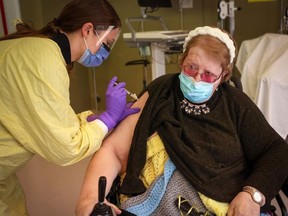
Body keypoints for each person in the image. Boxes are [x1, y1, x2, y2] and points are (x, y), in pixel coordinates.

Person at [76, 26, 288, 216]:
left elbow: (277, 151)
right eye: (191, 68)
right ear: (181, 61)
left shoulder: (236, 104)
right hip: (154, 204)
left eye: (208, 75)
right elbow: (113, 150)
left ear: (223, 76)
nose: (196, 79)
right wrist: (89, 200)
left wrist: (252, 195)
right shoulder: (160, 92)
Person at [0, 0, 140, 215]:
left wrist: (100, 117)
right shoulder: (43, 60)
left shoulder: (37, 49)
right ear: (87, 29)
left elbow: (48, 117)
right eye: (107, 44)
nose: (107, 52)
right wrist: (109, 119)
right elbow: (65, 149)